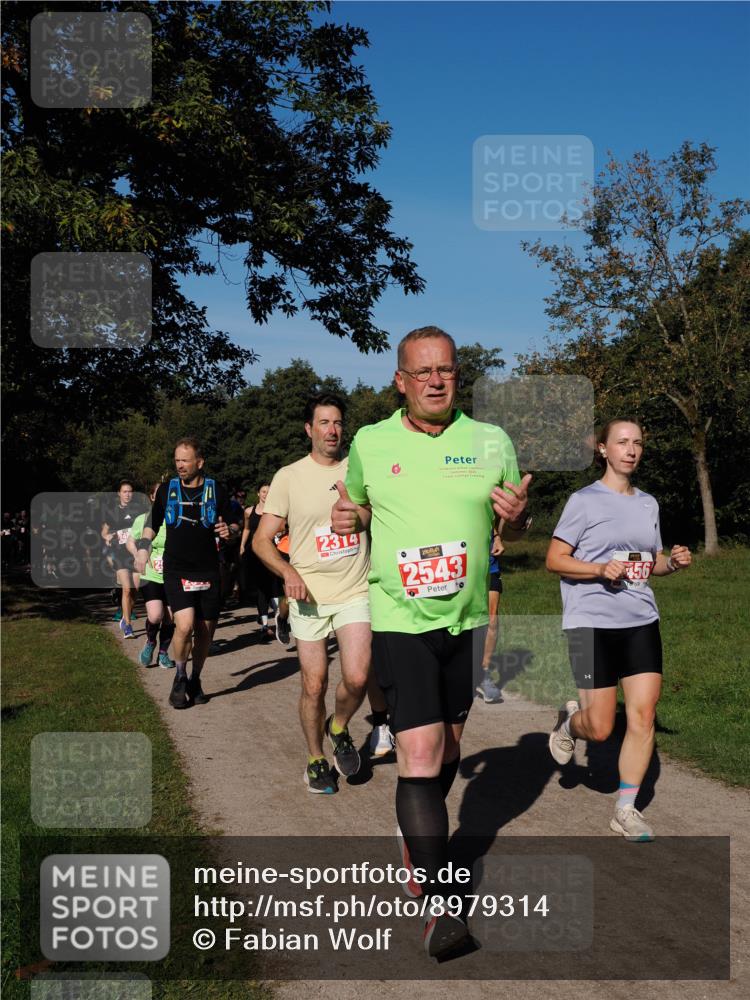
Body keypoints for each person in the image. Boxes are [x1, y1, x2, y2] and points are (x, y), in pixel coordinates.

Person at [331, 326, 531, 957]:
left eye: (445, 369)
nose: (436, 381)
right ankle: (441, 907)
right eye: (423, 372)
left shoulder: (491, 440)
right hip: (400, 616)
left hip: (467, 620)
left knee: (448, 749)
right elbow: (360, 506)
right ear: (401, 381)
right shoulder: (371, 442)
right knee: (418, 752)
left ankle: (416, 838)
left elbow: (514, 521)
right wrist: (349, 515)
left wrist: (520, 517)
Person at [546, 417, 691, 842]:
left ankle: (625, 810)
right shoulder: (583, 501)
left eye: (638, 443)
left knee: (643, 715)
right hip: (589, 624)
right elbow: (555, 559)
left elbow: (651, 561)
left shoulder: (648, 504)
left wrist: (672, 563)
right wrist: (598, 569)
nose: (631, 450)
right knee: (601, 728)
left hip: (640, 620)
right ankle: (570, 725)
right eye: (622, 442)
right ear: (603, 449)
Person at [253, 393, 389, 794]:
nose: (333, 430)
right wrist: (287, 570)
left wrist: (360, 517)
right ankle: (315, 758)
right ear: (309, 429)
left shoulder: (358, 470)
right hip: (308, 596)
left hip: (354, 589)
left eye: (338, 423)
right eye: (324, 423)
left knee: (358, 676)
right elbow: (261, 540)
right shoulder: (289, 477)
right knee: (314, 685)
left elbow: (380, 513)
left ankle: (339, 726)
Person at [134, 438, 240, 709]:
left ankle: (195, 678)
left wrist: (231, 531)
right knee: (184, 625)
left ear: (199, 462)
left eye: (185, 460)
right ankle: (180, 677)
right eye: (177, 460)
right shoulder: (167, 490)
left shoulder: (216, 489)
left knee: (205, 631)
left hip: (208, 569)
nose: (180, 465)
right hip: (176, 568)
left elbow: (235, 522)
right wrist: (143, 549)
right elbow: (152, 523)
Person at [126, 482, 175, 669]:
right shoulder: (144, 518)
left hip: (173, 575)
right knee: (155, 616)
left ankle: (163, 653)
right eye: (160, 494)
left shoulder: (176, 519)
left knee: (170, 618)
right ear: (153, 497)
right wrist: (137, 554)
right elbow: (130, 541)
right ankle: (150, 642)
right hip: (151, 574)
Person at [101, 480, 140, 638]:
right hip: (120, 553)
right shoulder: (112, 512)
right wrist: (108, 536)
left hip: (135, 553)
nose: (127, 494)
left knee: (135, 590)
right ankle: (128, 625)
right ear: (119, 493)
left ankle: (125, 615)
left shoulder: (138, 511)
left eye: (130, 491)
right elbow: (104, 532)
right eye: (124, 491)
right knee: (127, 589)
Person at [240, 484, 277, 642]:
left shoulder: (275, 512)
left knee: (273, 586)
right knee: (260, 588)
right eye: (263, 491)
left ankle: (279, 617)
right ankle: (264, 624)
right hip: (254, 553)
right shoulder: (249, 511)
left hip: (272, 552)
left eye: (269, 492)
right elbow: (247, 529)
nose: (266, 494)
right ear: (258, 493)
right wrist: (242, 545)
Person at [475, 530, 505, 704]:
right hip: (461, 562)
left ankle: (483, 673)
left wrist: (496, 537)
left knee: (492, 617)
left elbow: (491, 518)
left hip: (489, 563)